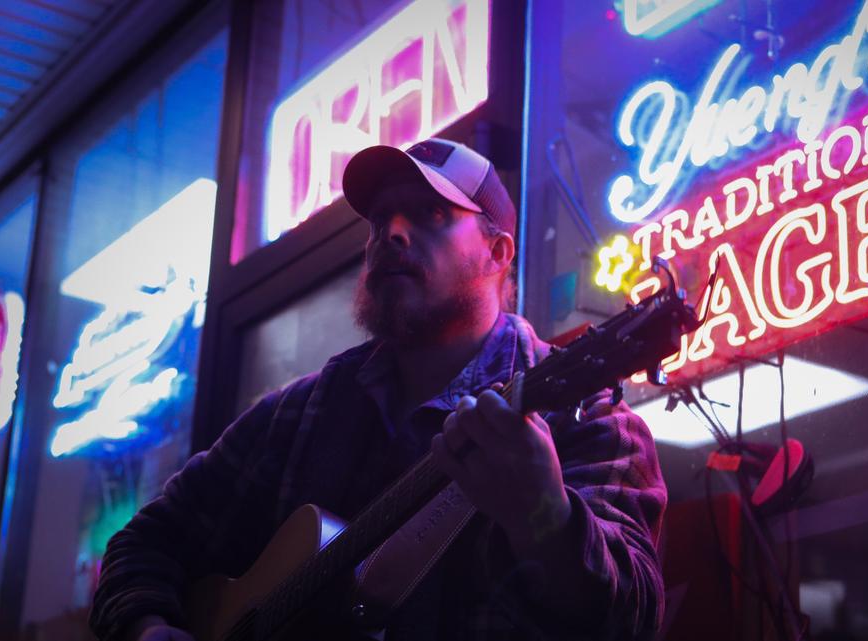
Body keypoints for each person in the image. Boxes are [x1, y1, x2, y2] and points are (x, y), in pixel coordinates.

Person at [89, 138, 667, 640]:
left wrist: (545, 516)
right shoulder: (297, 416)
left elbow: (631, 621)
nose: (390, 232)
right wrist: (147, 625)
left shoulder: (587, 416)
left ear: (498, 252)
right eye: (379, 220)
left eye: (429, 214)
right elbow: (144, 543)